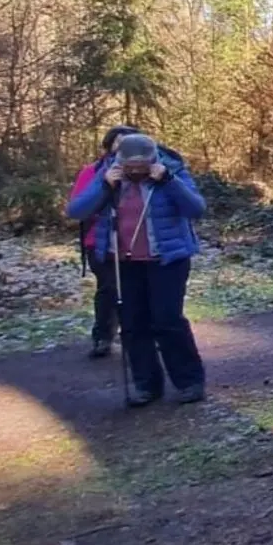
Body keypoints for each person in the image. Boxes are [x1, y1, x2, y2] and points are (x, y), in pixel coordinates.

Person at [65, 133, 209, 407]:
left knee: (167, 320)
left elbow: (196, 209)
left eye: (141, 167)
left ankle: (190, 382)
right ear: (121, 163)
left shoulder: (172, 172)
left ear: (152, 161)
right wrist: (105, 187)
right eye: (131, 167)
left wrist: (169, 181)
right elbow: (76, 211)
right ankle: (146, 384)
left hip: (167, 260)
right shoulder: (107, 174)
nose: (136, 172)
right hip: (123, 261)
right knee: (132, 324)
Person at [70, 123, 139, 358]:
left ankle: (134, 335)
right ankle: (103, 335)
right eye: (118, 143)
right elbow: (78, 206)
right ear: (109, 146)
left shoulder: (143, 170)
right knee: (109, 287)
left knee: (131, 291)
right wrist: (104, 186)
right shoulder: (92, 171)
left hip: (131, 242)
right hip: (98, 241)